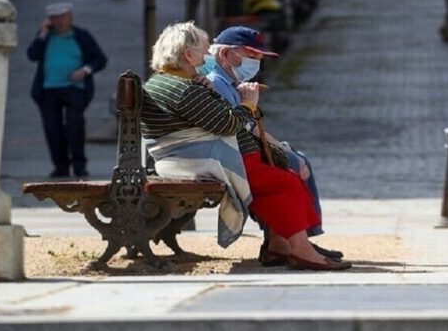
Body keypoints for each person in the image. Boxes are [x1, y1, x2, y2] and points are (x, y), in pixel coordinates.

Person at [139, 21, 351, 271]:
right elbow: (227, 125)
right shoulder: (183, 89)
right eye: (204, 53)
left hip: (194, 157)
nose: (206, 59)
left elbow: (215, 117)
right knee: (286, 182)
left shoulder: (170, 82)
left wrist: (206, 89)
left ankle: (281, 246)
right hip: (203, 161)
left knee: (280, 178)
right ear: (188, 54)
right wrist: (249, 103)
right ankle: (302, 250)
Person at [203, 26, 343, 265]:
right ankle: (293, 241)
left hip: (238, 152)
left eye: (259, 57)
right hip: (232, 158)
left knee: (296, 159)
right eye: (251, 55)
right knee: (292, 166)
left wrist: (283, 148)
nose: (256, 63)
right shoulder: (218, 83)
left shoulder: (232, 81)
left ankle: (291, 240)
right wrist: (250, 104)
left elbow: (251, 128)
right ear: (225, 54)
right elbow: (242, 127)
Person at [27, 3, 108, 178]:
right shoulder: (45, 36)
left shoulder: (81, 36)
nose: (59, 21)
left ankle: (79, 165)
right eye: (55, 18)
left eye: (63, 17)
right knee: (52, 128)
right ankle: (60, 166)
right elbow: (32, 55)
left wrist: (85, 70)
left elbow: (100, 59)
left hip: (75, 88)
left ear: (70, 18)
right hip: (48, 89)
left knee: (75, 125)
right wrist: (43, 33)